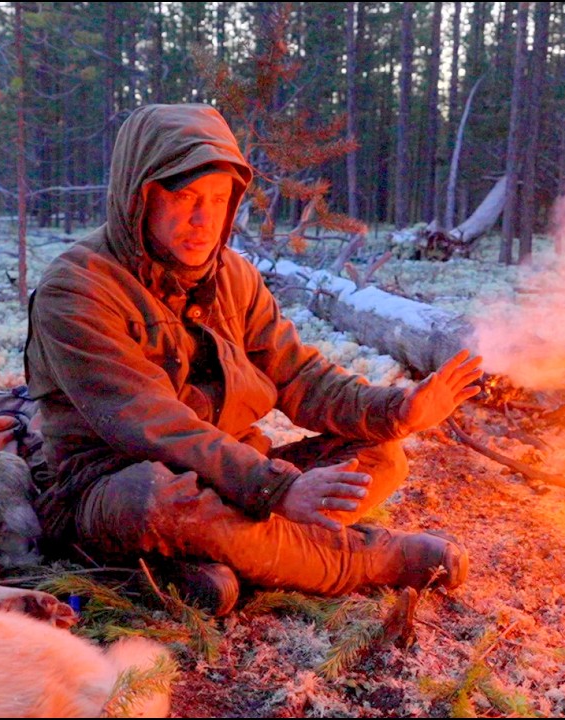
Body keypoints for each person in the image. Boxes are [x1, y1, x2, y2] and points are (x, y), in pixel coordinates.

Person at [24, 103, 483, 616]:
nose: (204, 221)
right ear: (139, 197)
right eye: (185, 197)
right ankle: (372, 560)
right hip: (111, 485)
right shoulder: (78, 288)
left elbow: (300, 376)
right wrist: (277, 488)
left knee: (381, 455)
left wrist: (394, 410)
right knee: (156, 498)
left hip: (235, 475)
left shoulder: (233, 276)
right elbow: (152, 423)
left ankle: (211, 558)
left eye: (219, 200)